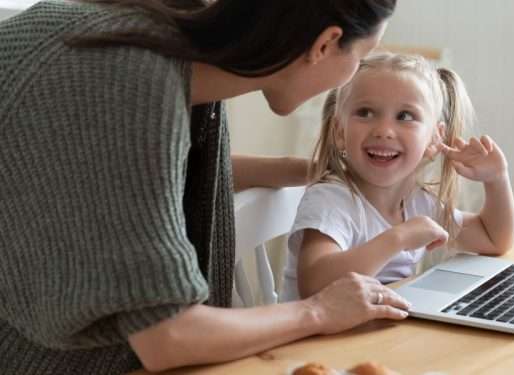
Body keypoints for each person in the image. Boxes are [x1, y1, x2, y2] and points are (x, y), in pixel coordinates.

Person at [0, 0, 409, 373]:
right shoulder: (129, 82)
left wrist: (301, 170)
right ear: (325, 43)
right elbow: (168, 338)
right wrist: (318, 311)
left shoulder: (158, 41)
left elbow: (123, 175)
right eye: (362, 57)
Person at [281, 53, 514, 301]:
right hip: (317, 339)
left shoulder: (418, 203)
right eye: (365, 112)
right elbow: (316, 284)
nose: (384, 131)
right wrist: (399, 237)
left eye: (405, 116)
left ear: (434, 138)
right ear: (340, 131)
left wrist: (497, 179)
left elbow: (494, 239)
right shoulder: (331, 200)